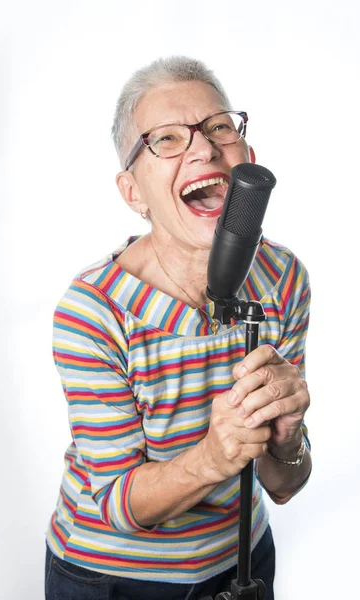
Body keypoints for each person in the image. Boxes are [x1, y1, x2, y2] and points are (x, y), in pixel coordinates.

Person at [45, 56, 312, 600]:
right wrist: (213, 456)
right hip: (113, 577)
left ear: (248, 161)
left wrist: (285, 440)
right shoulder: (93, 312)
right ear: (133, 192)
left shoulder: (283, 279)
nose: (204, 147)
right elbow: (118, 507)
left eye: (218, 127)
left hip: (242, 558)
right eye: (165, 138)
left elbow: (284, 485)